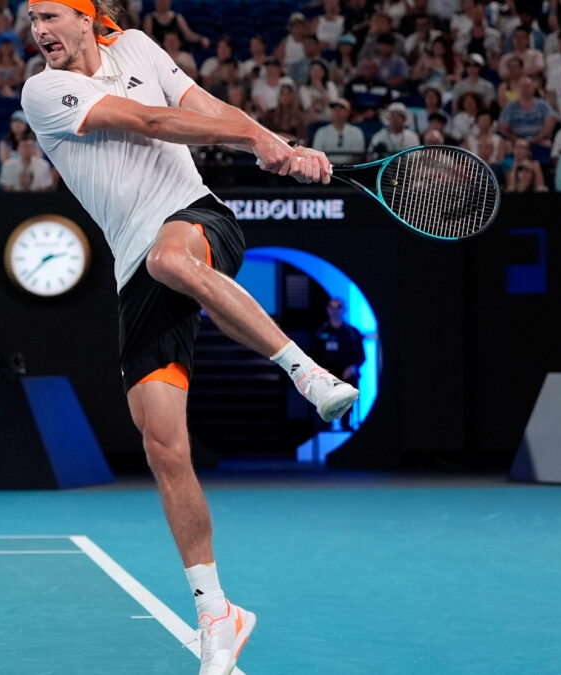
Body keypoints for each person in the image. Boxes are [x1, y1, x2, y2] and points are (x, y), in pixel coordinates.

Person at [20, 3, 358, 675]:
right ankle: (217, 615)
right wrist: (259, 141)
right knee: (163, 445)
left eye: (51, 16)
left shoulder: (139, 48)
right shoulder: (43, 90)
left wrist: (276, 142)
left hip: (197, 217)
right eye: (32, 20)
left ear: (86, 17)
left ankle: (306, 371)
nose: (39, 31)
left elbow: (204, 106)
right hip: (133, 268)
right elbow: (151, 122)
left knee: (170, 258)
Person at [308, 297, 364, 430]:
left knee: (350, 383)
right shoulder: (319, 332)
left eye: (338, 307)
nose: (335, 310)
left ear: (344, 310)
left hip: (346, 372)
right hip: (325, 372)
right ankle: (325, 424)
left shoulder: (352, 332)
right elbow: (312, 354)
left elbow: (361, 356)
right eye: (331, 307)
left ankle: (346, 422)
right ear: (327, 310)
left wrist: (353, 367)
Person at [311, 98, 366, 163]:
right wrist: (331, 166)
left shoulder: (357, 132)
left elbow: (358, 156)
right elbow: (317, 154)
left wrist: (346, 167)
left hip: (351, 168)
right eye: (334, 109)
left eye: (340, 109)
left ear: (348, 113)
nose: (337, 112)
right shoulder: (321, 132)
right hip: (328, 168)